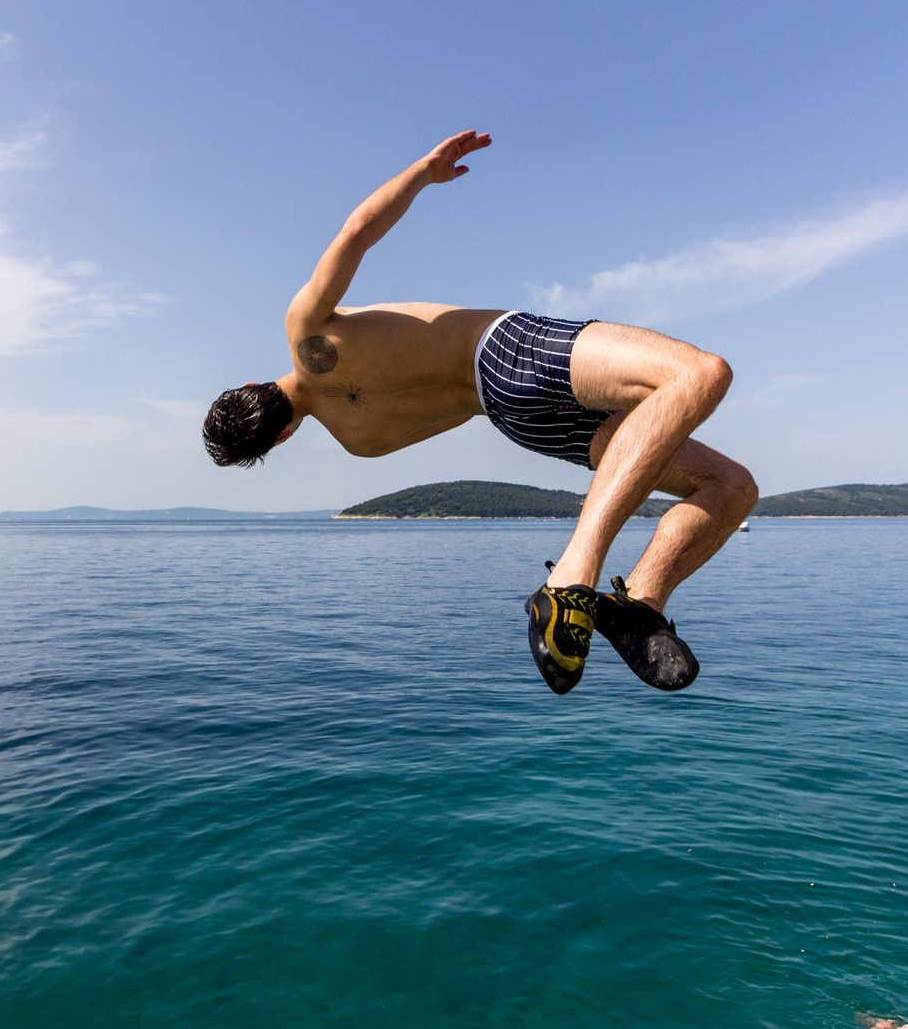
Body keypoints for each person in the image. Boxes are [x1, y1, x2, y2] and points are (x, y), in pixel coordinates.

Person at [202, 130, 756, 695]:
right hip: (502, 351)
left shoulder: (360, 440)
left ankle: (637, 607)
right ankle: (573, 576)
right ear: (250, 382)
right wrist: (423, 172)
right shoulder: (305, 331)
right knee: (698, 374)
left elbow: (458, 416)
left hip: (512, 415)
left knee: (731, 486)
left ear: (281, 439)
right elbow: (357, 233)